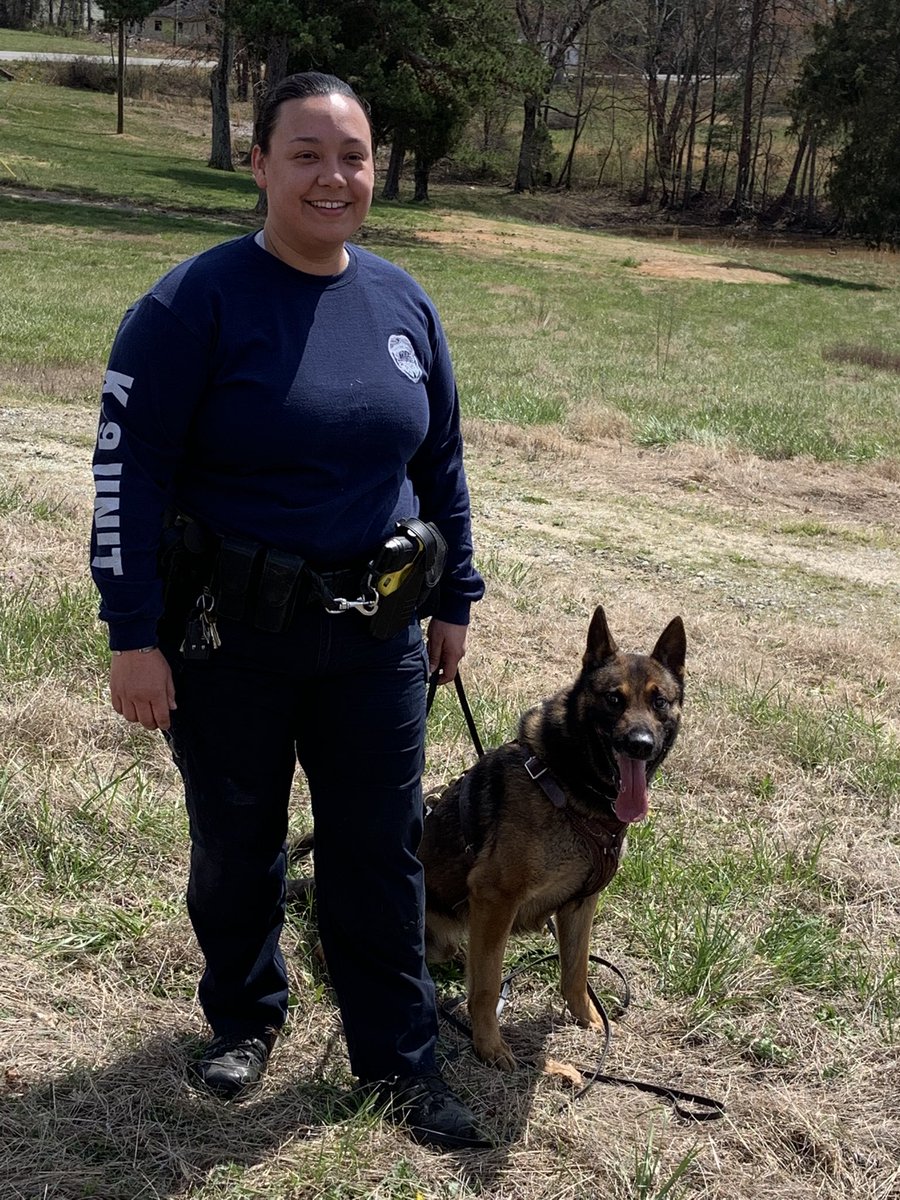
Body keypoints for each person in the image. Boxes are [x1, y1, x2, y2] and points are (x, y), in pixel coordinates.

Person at [89, 71, 488, 1151]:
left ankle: (400, 1060)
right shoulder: (190, 305)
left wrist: (456, 599)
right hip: (230, 641)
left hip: (377, 641)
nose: (333, 176)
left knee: (379, 852)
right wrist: (132, 635)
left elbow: (440, 461)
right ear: (259, 165)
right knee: (237, 842)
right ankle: (245, 1017)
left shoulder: (405, 303)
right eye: (305, 154)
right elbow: (128, 476)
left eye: (351, 155)